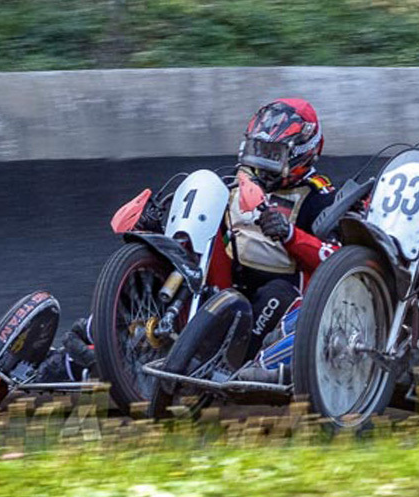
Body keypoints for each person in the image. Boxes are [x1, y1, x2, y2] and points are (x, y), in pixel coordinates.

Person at [35, 98, 338, 385]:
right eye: (258, 149)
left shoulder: (320, 198)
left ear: (302, 152)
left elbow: (338, 261)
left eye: (273, 154)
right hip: (225, 289)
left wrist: (289, 235)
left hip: (282, 298)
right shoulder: (239, 181)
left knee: (277, 292)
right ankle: (84, 351)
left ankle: (241, 368)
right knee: (175, 268)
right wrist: (161, 226)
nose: (262, 162)